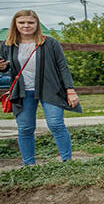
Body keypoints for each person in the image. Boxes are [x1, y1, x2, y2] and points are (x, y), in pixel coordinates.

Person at [1, 10, 80, 166]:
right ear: (15, 24)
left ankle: (67, 163)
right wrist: (3, 67)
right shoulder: (7, 45)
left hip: (50, 89)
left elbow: (63, 67)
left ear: (37, 24)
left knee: (56, 124)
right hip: (23, 91)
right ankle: (29, 166)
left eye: (30, 22)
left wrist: (70, 90)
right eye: (21, 22)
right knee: (25, 128)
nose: (26, 25)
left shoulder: (50, 43)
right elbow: (7, 67)